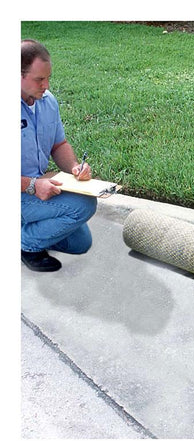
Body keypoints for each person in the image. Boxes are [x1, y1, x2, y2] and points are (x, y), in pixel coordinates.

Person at [21, 39, 97, 272]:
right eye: (39, 79)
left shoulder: (48, 102)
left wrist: (74, 167)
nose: (46, 85)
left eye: (48, 77)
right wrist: (33, 186)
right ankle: (25, 244)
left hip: (35, 187)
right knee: (84, 205)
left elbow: (58, 144)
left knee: (80, 242)